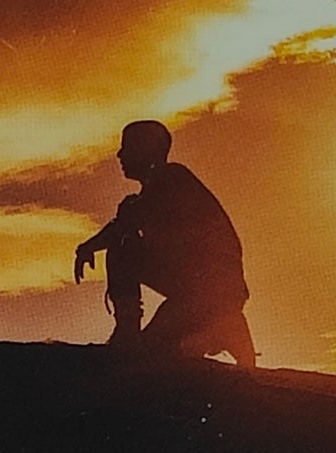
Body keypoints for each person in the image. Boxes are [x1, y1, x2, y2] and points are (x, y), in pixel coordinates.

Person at [73, 121, 257, 368]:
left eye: (127, 147)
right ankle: (216, 332)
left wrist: (88, 247)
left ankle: (131, 332)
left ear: (145, 149)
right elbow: (132, 221)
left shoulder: (171, 178)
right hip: (199, 294)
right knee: (153, 353)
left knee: (123, 248)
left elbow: (126, 226)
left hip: (210, 291)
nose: (120, 155)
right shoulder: (156, 190)